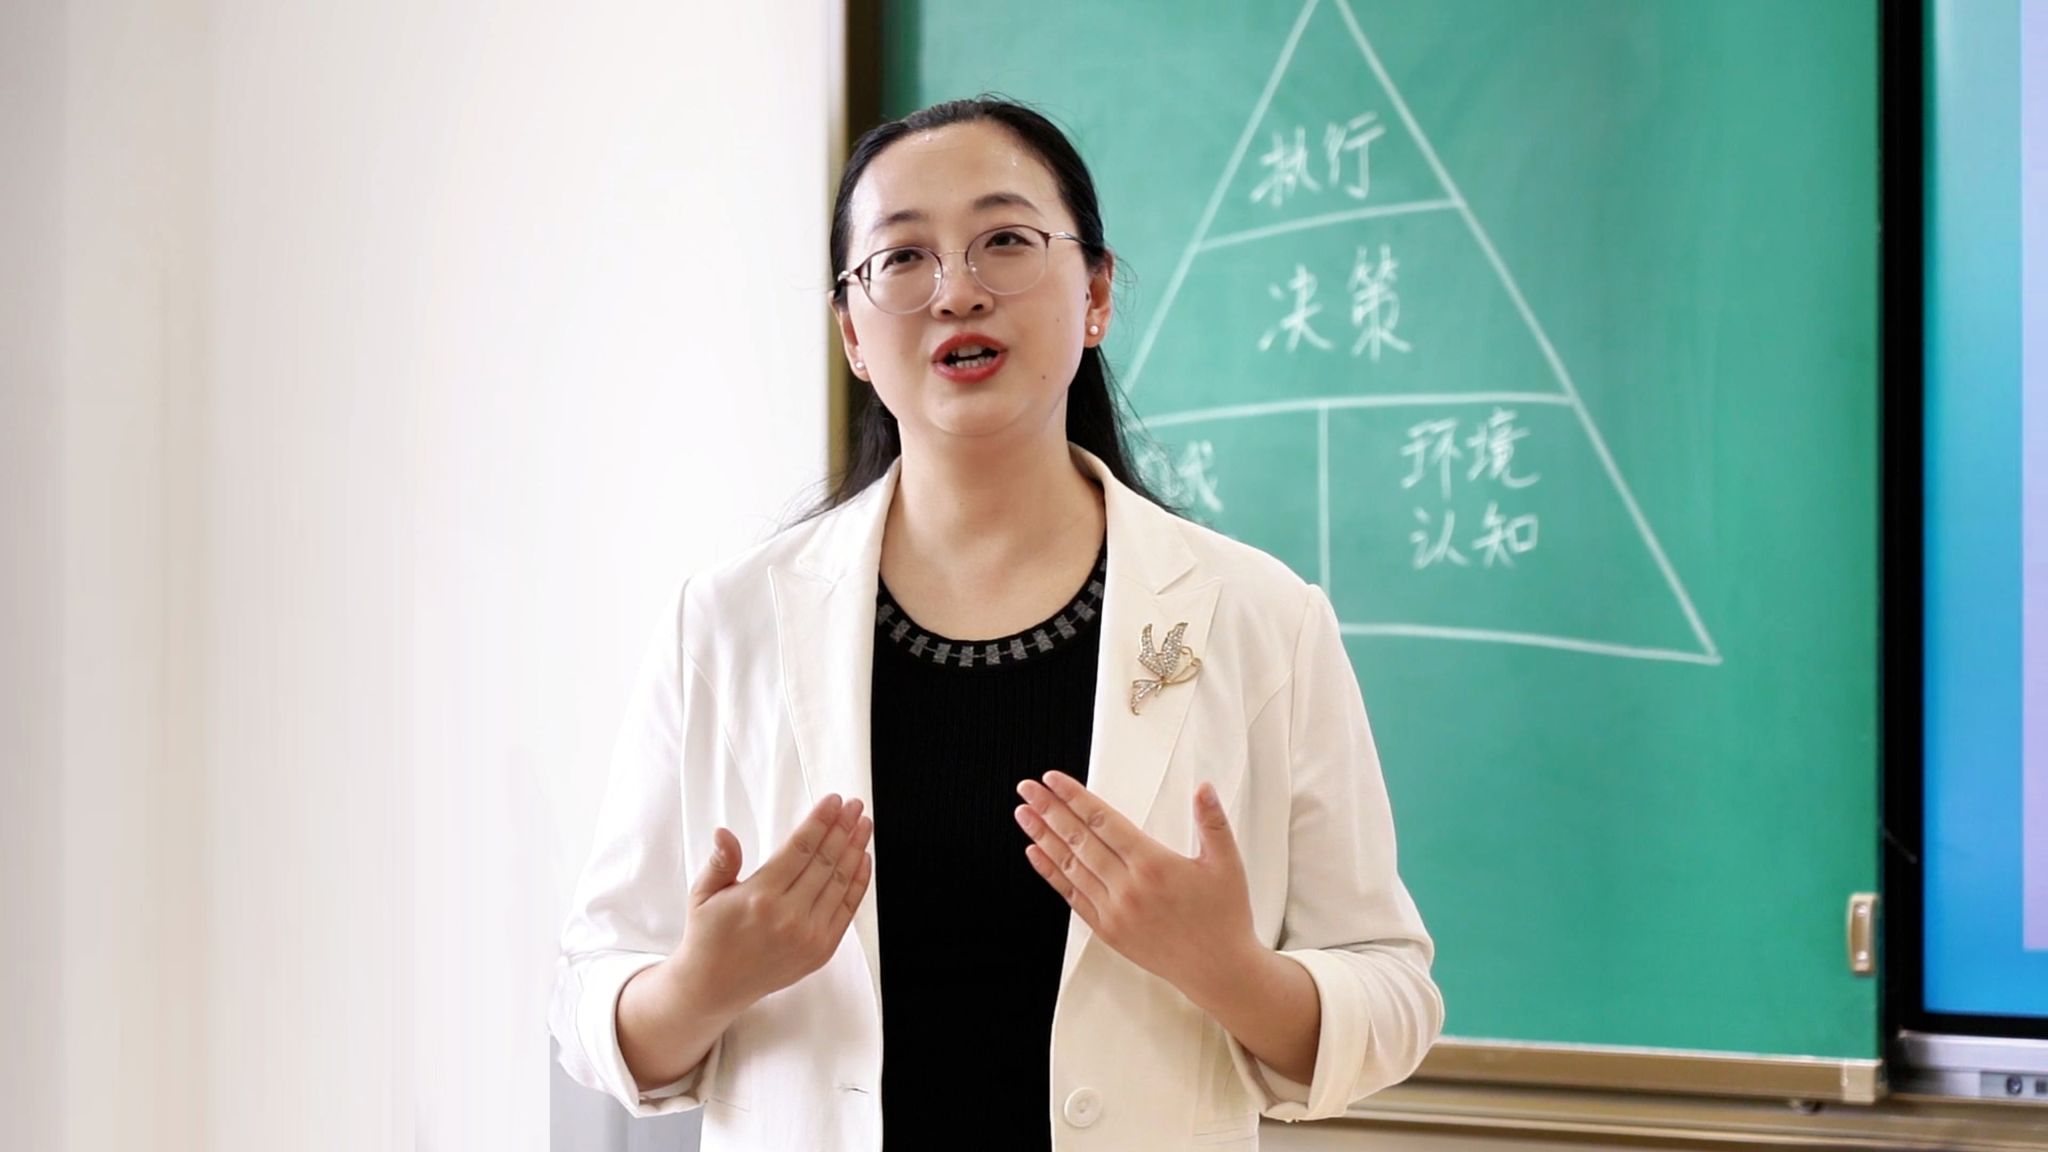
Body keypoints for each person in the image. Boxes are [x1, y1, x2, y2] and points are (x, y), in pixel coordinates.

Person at [548, 96, 1443, 1151]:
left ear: (1095, 293)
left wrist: (1228, 970)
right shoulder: (725, 622)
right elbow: (589, 1000)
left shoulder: (1262, 617)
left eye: (1005, 242)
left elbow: (1392, 993)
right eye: (901, 258)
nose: (956, 292)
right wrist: (702, 984)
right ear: (852, 332)